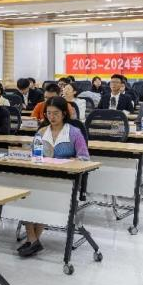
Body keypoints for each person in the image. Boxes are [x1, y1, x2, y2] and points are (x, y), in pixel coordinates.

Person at [19, 96, 89, 257]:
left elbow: (85, 158)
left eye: (56, 113)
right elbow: (33, 155)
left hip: (65, 180)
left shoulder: (74, 132)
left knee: (44, 198)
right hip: (42, 176)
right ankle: (33, 239)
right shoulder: (41, 132)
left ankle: (32, 240)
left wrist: (72, 160)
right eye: (48, 113)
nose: (52, 117)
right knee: (25, 197)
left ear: (64, 113)